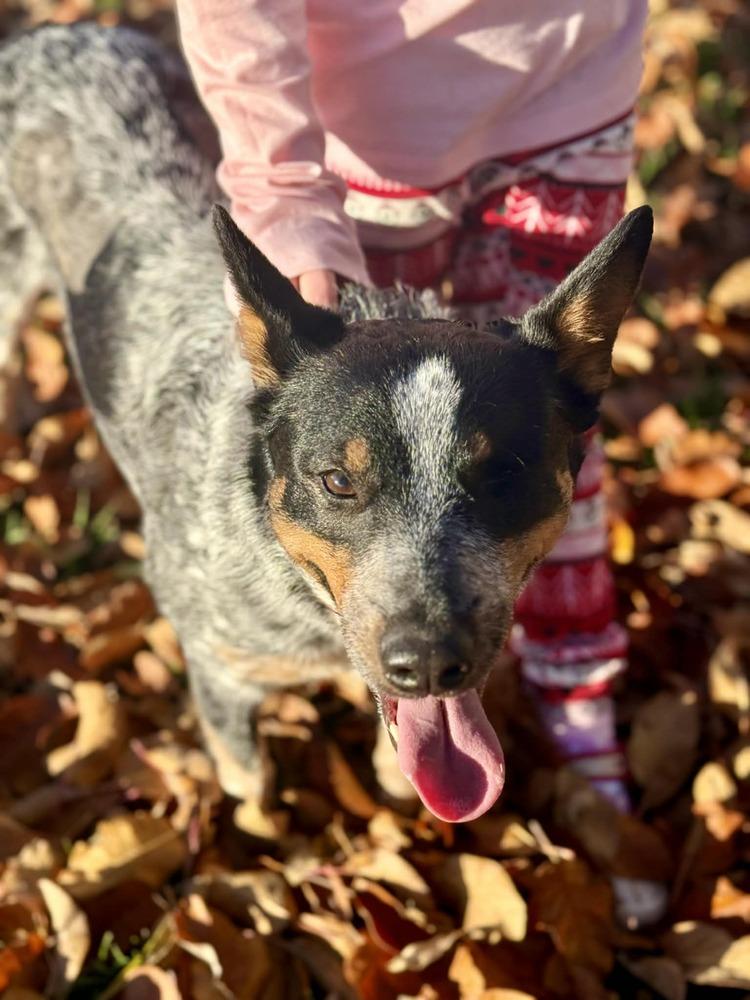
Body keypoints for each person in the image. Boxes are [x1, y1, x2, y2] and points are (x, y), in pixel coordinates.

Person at [176, 0, 665, 924]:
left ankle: (577, 685)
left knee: (549, 432)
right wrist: (283, 194)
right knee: (388, 427)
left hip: (576, 77)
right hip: (367, 120)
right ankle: (412, 717)